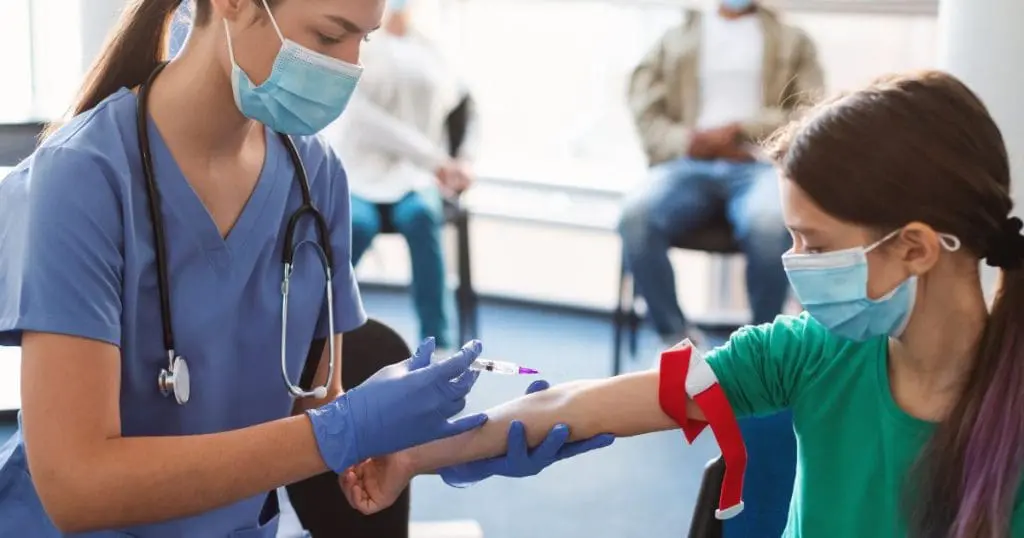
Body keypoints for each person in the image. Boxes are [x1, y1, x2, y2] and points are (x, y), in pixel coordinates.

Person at [0, 1, 610, 536]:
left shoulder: (315, 177)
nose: (349, 67)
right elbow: (77, 488)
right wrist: (339, 430)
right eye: (328, 35)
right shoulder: (83, 177)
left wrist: (445, 445)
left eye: (363, 39)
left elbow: (313, 418)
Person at [339, 70, 1024, 537]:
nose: (795, 264)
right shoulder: (808, 353)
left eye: (815, 245)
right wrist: (412, 455)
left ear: (915, 248)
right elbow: (576, 406)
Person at [619, 0, 823, 344]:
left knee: (769, 225)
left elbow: (809, 110)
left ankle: (763, 346)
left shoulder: (793, 40)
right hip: (687, 162)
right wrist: (686, 141)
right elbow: (644, 106)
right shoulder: (674, 39)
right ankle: (676, 337)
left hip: (758, 164)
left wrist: (742, 130)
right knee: (635, 218)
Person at [321, 0, 475, 352]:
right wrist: (435, 160)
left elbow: (467, 107)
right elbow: (365, 120)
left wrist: (464, 160)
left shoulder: (433, 48)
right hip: (363, 172)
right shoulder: (359, 42)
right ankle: (322, 330)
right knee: (355, 227)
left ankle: (439, 345)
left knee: (421, 217)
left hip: (414, 176)